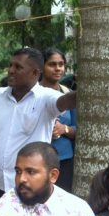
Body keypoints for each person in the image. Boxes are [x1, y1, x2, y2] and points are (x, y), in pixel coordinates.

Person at [0, 47, 78, 206]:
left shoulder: (46, 98)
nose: (11, 70)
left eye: (18, 67)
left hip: (29, 190)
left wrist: (84, 88)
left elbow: (65, 101)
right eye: (11, 65)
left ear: (35, 73)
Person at [40, 48, 77, 191]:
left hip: (64, 161)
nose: (57, 68)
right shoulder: (32, 94)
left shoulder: (69, 95)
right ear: (42, 67)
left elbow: (79, 129)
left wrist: (64, 129)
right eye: (52, 64)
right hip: (38, 159)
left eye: (61, 64)